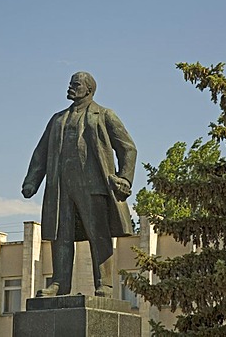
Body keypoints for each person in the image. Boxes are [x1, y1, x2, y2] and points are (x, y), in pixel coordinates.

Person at [22, 71, 137, 298]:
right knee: (60, 237)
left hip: (94, 187)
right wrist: (32, 181)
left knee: (99, 235)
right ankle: (59, 284)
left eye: (75, 85)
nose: (70, 88)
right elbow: (41, 152)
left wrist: (124, 178)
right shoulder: (57, 119)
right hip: (61, 188)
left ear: (89, 89)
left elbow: (128, 148)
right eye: (70, 84)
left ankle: (104, 284)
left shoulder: (104, 115)